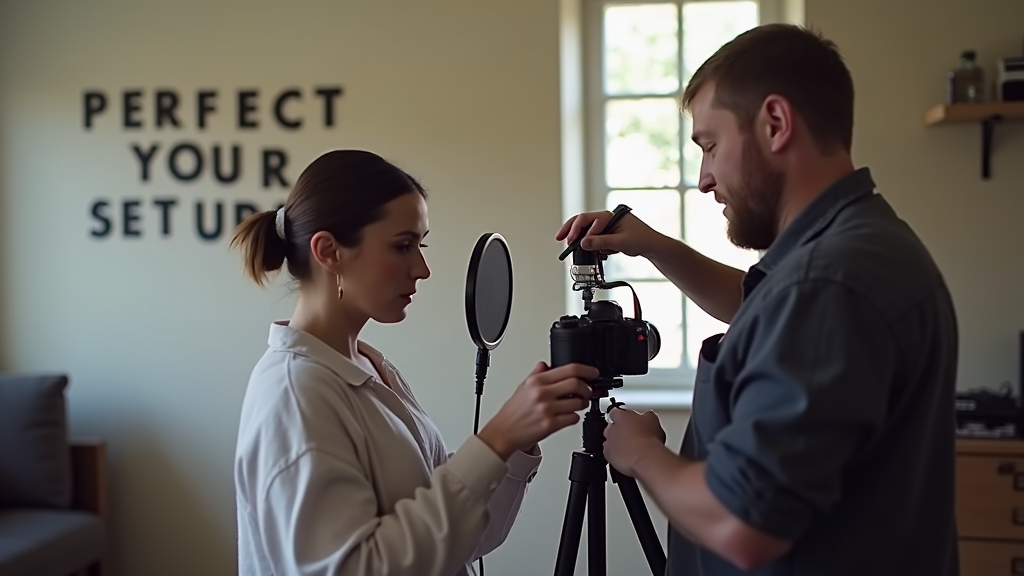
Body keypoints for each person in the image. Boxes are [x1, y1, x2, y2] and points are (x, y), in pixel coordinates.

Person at [557, 23, 959, 576]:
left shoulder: (828, 284)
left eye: (711, 145)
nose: (703, 178)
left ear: (775, 123)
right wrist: (652, 245)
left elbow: (743, 522)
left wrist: (641, 453)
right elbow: (758, 309)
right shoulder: (854, 246)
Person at [231, 149, 597, 576]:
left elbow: (461, 538)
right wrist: (496, 438)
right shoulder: (296, 394)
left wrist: (515, 441)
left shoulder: (368, 367)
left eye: (420, 245)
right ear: (329, 251)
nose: (422, 269)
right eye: (403, 246)